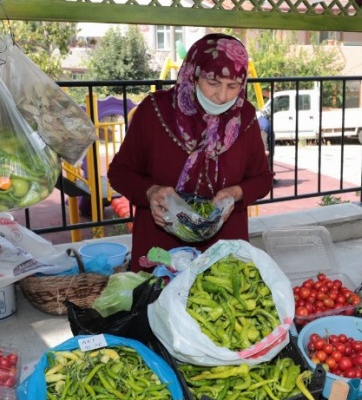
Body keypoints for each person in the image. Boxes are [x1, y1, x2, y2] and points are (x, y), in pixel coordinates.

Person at [107, 33, 273, 272]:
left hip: (223, 250)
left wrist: (235, 193)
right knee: (160, 306)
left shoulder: (244, 116)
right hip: (161, 248)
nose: (223, 95)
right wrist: (151, 192)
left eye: (233, 86)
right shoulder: (154, 111)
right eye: (213, 83)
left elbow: (262, 179)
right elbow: (120, 173)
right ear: (193, 75)